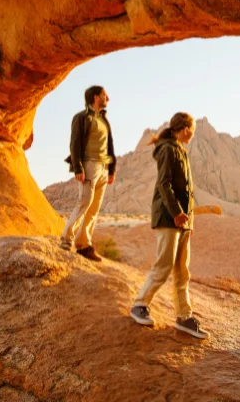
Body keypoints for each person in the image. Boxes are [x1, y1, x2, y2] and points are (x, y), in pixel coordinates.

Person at [129, 112, 208, 339]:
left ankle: (184, 317)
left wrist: (188, 220)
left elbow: (186, 191)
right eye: (191, 129)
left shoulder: (180, 150)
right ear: (183, 128)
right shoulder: (167, 150)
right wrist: (176, 213)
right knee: (163, 266)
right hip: (168, 218)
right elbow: (164, 185)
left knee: (182, 272)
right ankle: (139, 305)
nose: (192, 134)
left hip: (182, 221)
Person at [61, 85, 117, 262]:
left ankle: (84, 245)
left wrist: (112, 169)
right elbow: (75, 143)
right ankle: (66, 239)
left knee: (94, 209)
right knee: (84, 202)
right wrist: (78, 168)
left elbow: (110, 146)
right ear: (95, 97)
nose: (108, 98)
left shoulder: (104, 120)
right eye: (105, 95)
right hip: (89, 165)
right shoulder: (82, 117)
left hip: (103, 167)